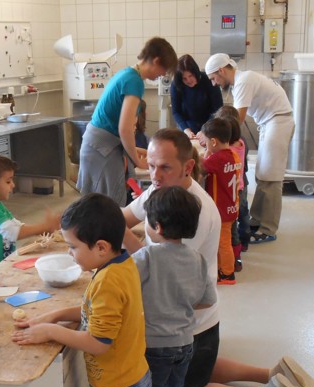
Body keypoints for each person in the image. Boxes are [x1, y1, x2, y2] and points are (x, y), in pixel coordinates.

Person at [122, 129, 314, 387]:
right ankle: (273, 373)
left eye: (164, 167)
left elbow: (158, 267)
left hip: (189, 326)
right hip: (196, 325)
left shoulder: (195, 210)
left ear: (188, 167)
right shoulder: (161, 191)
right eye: (151, 165)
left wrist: (119, 234)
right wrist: (100, 219)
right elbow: (127, 216)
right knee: (199, 364)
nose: (155, 175)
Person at [12, 193, 151, 387]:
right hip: (131, 378)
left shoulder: (107, 282)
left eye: (73, 247)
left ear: (101, 247)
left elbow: (98, 341)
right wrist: (56, 314)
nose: (71, 254)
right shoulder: (119, 266)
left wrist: (51, 333)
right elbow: (95, 314)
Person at [132, 186, 216, 387]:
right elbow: (207, 300)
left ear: (156, 226)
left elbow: (124, 290)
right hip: (185, 343)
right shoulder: (197, 259)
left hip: (153, 346)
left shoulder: (146, 258)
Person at [205, 53, 294, 244]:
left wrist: (213, 139)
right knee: (262, 174)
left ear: (221, 70)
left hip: (277, 122)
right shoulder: (242, 81)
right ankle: (257, 220)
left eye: (214, 78)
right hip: (270, 122)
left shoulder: (243, 81)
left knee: (271, 177)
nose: (214, 84)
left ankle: (268, 229)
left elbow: (236, 122)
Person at [77, 37, 177, 206]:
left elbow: (121, 128)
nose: (162, 75)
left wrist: (139, 151)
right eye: (163, 70)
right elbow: (125, 129)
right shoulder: (134, 81)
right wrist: (138, 161)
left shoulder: (127, 74)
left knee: (101, 205)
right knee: (107, 206)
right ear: (156, 61)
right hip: (101, 149)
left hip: (100, 145)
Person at [0, 153, 61, 267]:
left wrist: (40, 230)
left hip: (1, 263)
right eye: (8, 181)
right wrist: (44, 226)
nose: (13, 185)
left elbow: (15, 224)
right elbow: (12, 232)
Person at [199, 118, 242, 285]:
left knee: (223, 242)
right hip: (231, 206)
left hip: (221, 210)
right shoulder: (232, 155)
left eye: (206, 142)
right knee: (225, 241)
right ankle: (223, 269)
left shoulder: (216, 160)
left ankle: (227, 274)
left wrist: (205, 155)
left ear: (214, 141)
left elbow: (201, 167)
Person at [213, 105, 251, 259]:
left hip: (231, 191)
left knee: (231, 224)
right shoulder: (242, 142)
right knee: (243, 213)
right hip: (243, 184)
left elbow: (211, 163)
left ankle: (235, 256)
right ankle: (245, 241)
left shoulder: (226, 151)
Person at [171, 54, 223, 139]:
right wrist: (186, 129)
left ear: (196, 72)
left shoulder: (209, 80)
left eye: (190, 76)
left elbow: (217, 109)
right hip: (187, 126)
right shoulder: (176, 84)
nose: (188, 80)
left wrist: (205, 130)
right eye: (184, 78)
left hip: (210, 123)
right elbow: (176, 111)